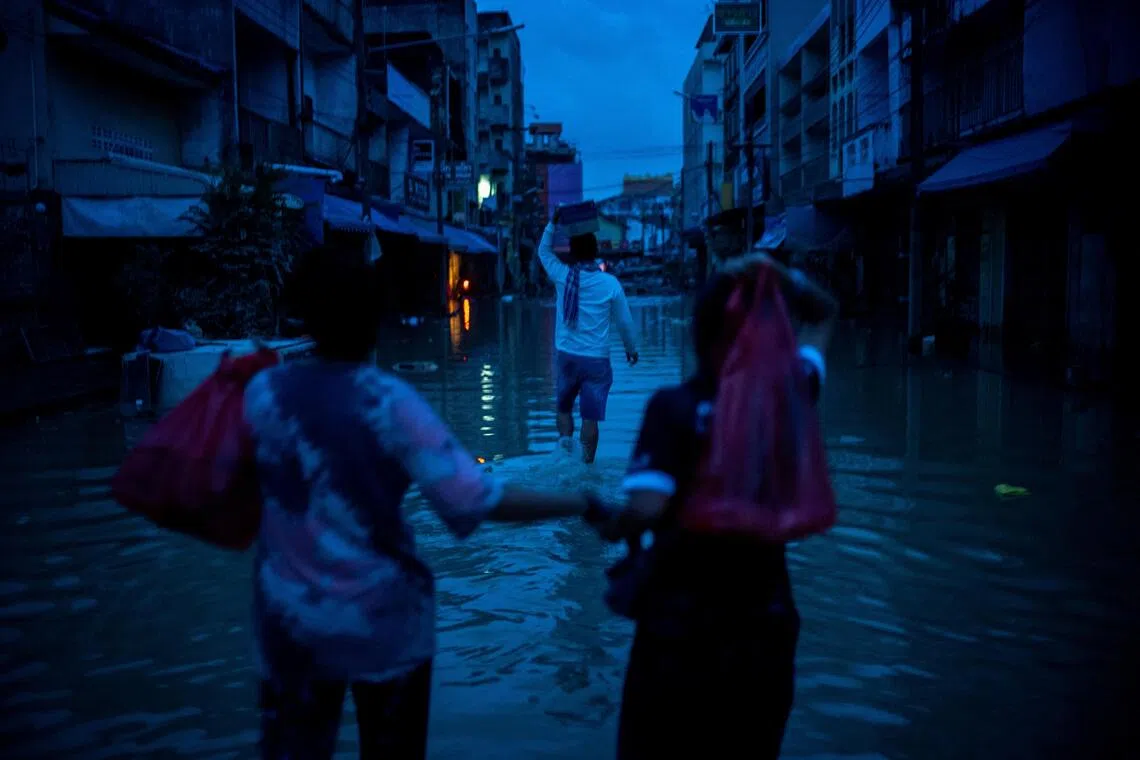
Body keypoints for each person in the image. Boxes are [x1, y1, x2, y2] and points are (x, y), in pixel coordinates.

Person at [243, 248, 612, 760]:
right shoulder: (388, 401)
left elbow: (229, 493)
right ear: (375, 320)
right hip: (387, 623)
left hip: (290, 625)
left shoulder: (262, 394)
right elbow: (476, 499)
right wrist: (582, 503)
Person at [590, 255, 838, 759]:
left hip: (680, 634)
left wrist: (607, 519)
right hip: (764, 630)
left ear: (696, 336)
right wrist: (775, 272)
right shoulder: (789, 398)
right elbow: (825, 312)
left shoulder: (673, 408)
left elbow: (646, 510)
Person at [536, 212, 640, 463]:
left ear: (571, 252)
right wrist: (631, 349)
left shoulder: (562, 276)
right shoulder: (610, 283)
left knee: (563, 408)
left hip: (567, 357)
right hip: (597, 362)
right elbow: (624, 322)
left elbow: (543, 252)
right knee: (590, 418)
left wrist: (553, 223)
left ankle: (564, 451)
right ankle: (586, 467)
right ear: (596, 252)